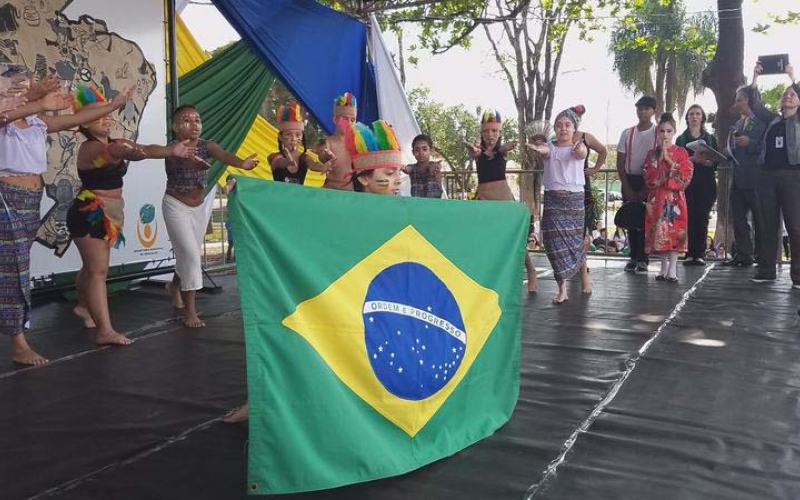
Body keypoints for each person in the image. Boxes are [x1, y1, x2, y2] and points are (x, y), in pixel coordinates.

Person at [223, 119, 405, 425]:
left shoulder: (408, 211)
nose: (398, 180)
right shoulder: (338, 209)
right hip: (339, 303)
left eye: (399, 172)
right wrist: (245, 192)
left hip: (379, 309)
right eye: (389, 173)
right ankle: (263, 400)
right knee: (290, 337)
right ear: (362, 179)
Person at [0, 69, 133, 365]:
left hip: (30, 198)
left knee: (15, 266)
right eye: (17, 88)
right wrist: (37, 101)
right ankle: (19, 344)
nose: (27, 91)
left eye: (27, 87)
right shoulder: (7, 120)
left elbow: (75, 119)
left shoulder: (36, 122)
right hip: (7, 197)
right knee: (14, 269)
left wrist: (115, 104)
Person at [67, 85, 196, 345]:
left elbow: (145, 149)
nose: (104, 118)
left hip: (109, 212)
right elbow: (112, 153)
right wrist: (124, 152)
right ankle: (105, 331)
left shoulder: (114, 142)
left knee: (91, 269)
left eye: (105, 114)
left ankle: (83, 306)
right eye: (97, 116)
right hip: (90, 212)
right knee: (98, 272)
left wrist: (172, 151)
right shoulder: (89, 148)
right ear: (83, 124)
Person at [163, 104, 259, 327]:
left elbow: (224, 155)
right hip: (176, 205)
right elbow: (180, 160)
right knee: (190, 255)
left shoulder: (208, 146)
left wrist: (242, 163)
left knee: (190, 255)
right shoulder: (172, 148)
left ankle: (174, 286)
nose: (194, 124)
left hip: (198, 207)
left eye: (197, 119)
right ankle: (191, 312)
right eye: (187, 120)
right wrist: (193, 161)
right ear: (176, 127)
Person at [466, 109, 537, 293]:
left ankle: (530, 270)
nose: (490, 135)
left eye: (494, 131)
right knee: (485, 238)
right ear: (481, 133)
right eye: (486, 131)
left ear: (499, 133)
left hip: (502, 200)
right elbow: (475, 153)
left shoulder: (501, 150)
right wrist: (474, 153)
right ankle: (490, 275)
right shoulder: (478, 151)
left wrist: (504, 147)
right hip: (483, 200)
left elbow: (505, 148)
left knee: (516, 239)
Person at [526, 106, 589, 303]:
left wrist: (579, 149)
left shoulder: (579, 146)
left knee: (575, 242)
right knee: (553, 244)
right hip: (553, 200)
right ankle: (562, 288)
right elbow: (545, 151)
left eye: (567, 125)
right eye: (559, 125)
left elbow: (581, 154)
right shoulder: (550, 148)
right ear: (555, 128)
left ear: (574, 128)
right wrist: (538, 148)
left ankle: (584, 276)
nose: (563, 129)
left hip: (574, 200)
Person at [749, 61, 800, 285]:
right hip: (767, 177)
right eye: (785, 95)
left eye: (792, 95)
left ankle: (798, 275)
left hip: (792, 177)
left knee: (796, 226)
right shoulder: (774, 121)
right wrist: (755, 78)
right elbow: (756, 106)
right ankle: (766, 270)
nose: (787, 97)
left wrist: (792, 77)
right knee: (767, 225)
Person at [643, 112, 693, 283]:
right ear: (657, 132)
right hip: (657, 198)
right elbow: (648, 176)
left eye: (669, 131)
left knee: (675, 232)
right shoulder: (651, 154)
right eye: (662, 131)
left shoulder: (681, 152)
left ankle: (672, 268)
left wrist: (670, 162)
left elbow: (685, 176)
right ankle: (663, 267)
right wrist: (658, 164)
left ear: (674, 132)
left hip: (674, 200)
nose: (665, 135)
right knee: (659, 233)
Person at [722, 85, 768, 267]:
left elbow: (767, 147)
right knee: (738, 219)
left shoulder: (764, 123)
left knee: (760, 220)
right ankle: (743, 254)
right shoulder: (737, 125)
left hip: (757, 179)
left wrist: (750, 142)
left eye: (739, 99)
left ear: (748, 101)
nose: (736, 103)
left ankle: (763, 257)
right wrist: (724, 151)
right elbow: (731, 148)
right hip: (738, 179)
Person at [617, 96, 658, 275]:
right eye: (640, 108)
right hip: (630, 179)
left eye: (646, 108)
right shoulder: (627, 133)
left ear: (653, 111)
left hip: (649, 181)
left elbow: (659, 163)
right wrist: (626, 185)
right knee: (630, 219)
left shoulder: (658, 133)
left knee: (645, 220)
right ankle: (633, 256)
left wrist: (647, 188)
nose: (643, 111)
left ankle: (643, 258)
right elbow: (620, 161)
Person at [676, 104, 719, 266]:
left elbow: (716, 161)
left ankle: (699, 253)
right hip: (687, 182)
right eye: (691, 114)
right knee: (689, 217)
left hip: (706, 181)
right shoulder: (681, 139)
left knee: (702, 217)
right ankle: (688, 253)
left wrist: (706, 161)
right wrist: (693, 160)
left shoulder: (710, 139)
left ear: (702, 118)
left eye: (698, 114)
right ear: (687, 118)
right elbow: (677, 161)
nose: (694, 117)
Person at [268, 101, 333, 184]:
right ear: (281, 137)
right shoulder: (273, 157)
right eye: (288, 134)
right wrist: (287, 162)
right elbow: (278, 162)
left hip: (299, 196)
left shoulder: (304, 158)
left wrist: (323, 167)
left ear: (302, 137)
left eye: (298, 135)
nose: (293, 139)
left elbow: (313, 165)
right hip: (279, 196)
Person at [316, 92, 357, 190]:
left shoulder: (357, 144)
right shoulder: (328, 142)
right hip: (331, 191)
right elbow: (322, 154)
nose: (349, 123)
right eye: (345, 119)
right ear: (335, 120)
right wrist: (327, 156)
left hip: (352, 193)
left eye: (353, 120)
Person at [403, 133, 443, 198]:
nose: (421, 153)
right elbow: (407, 169)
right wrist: (402, 167)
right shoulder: (412, 168)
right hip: (417, 205)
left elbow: (437, 166)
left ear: (431, 151)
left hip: (434, 204)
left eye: (424, 149)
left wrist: (436, 169)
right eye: (417, 150)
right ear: (413, 152)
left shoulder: (434, 165)